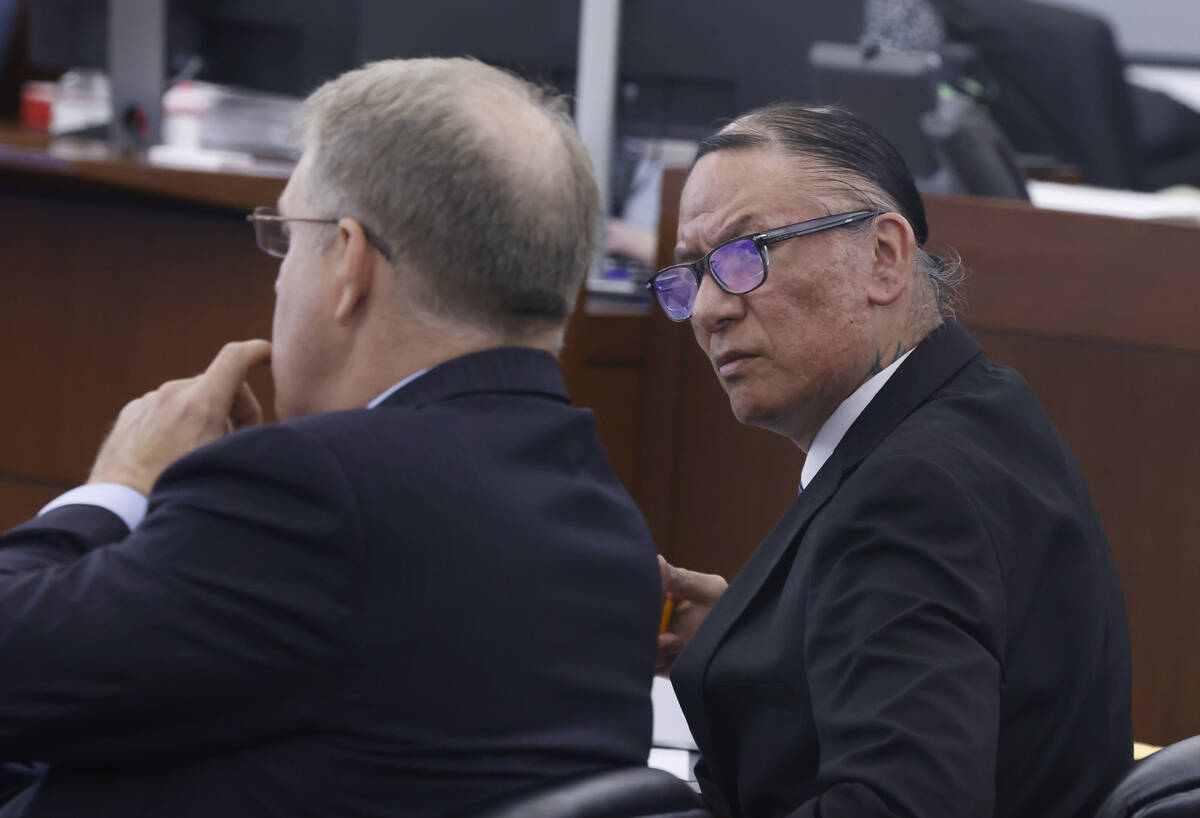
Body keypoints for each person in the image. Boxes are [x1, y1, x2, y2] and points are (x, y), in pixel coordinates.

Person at [0, 58, 662, 818]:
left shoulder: (317, 491)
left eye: (285, 236)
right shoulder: (610, 531)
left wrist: (117, 487)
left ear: (350, 262)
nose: (278, 279)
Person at [648, 103, 1131, 818]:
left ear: (883, 258)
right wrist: (760, 638)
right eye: (692, 274)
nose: (709, 310)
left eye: (746, 255)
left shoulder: (912, 492)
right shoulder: (980, 405)